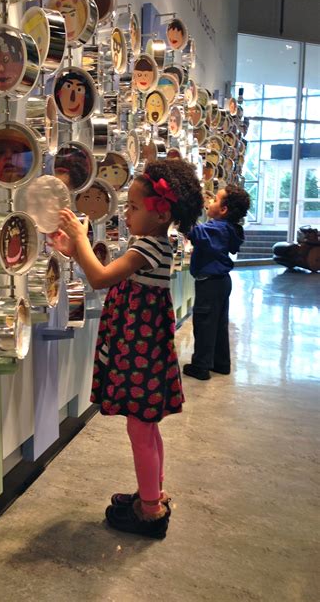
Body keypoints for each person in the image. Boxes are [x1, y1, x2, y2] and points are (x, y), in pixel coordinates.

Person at [51, 160, 203, 539]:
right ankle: (152, 494)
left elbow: (102, 278)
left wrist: (81, 239)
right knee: (146, 428)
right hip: (139, 351)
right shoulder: (149, 244)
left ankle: (150, 510)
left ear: (161, 211)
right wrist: (74, 251)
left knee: (140, 427)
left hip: (140, 354)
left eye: (133, 207)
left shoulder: (150, 248)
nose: (126, 213)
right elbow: (107, 271)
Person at [183, 184, 250, 380]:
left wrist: (185, 212)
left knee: (204, 323)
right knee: (218, 324)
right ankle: (221, 363)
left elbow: (195, 233)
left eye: (215, 200)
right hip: (221, 282)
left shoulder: (217, 228)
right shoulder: (228, 228)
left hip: (210, 283)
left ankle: (201, 367)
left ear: (223, 210)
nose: (210, 202)